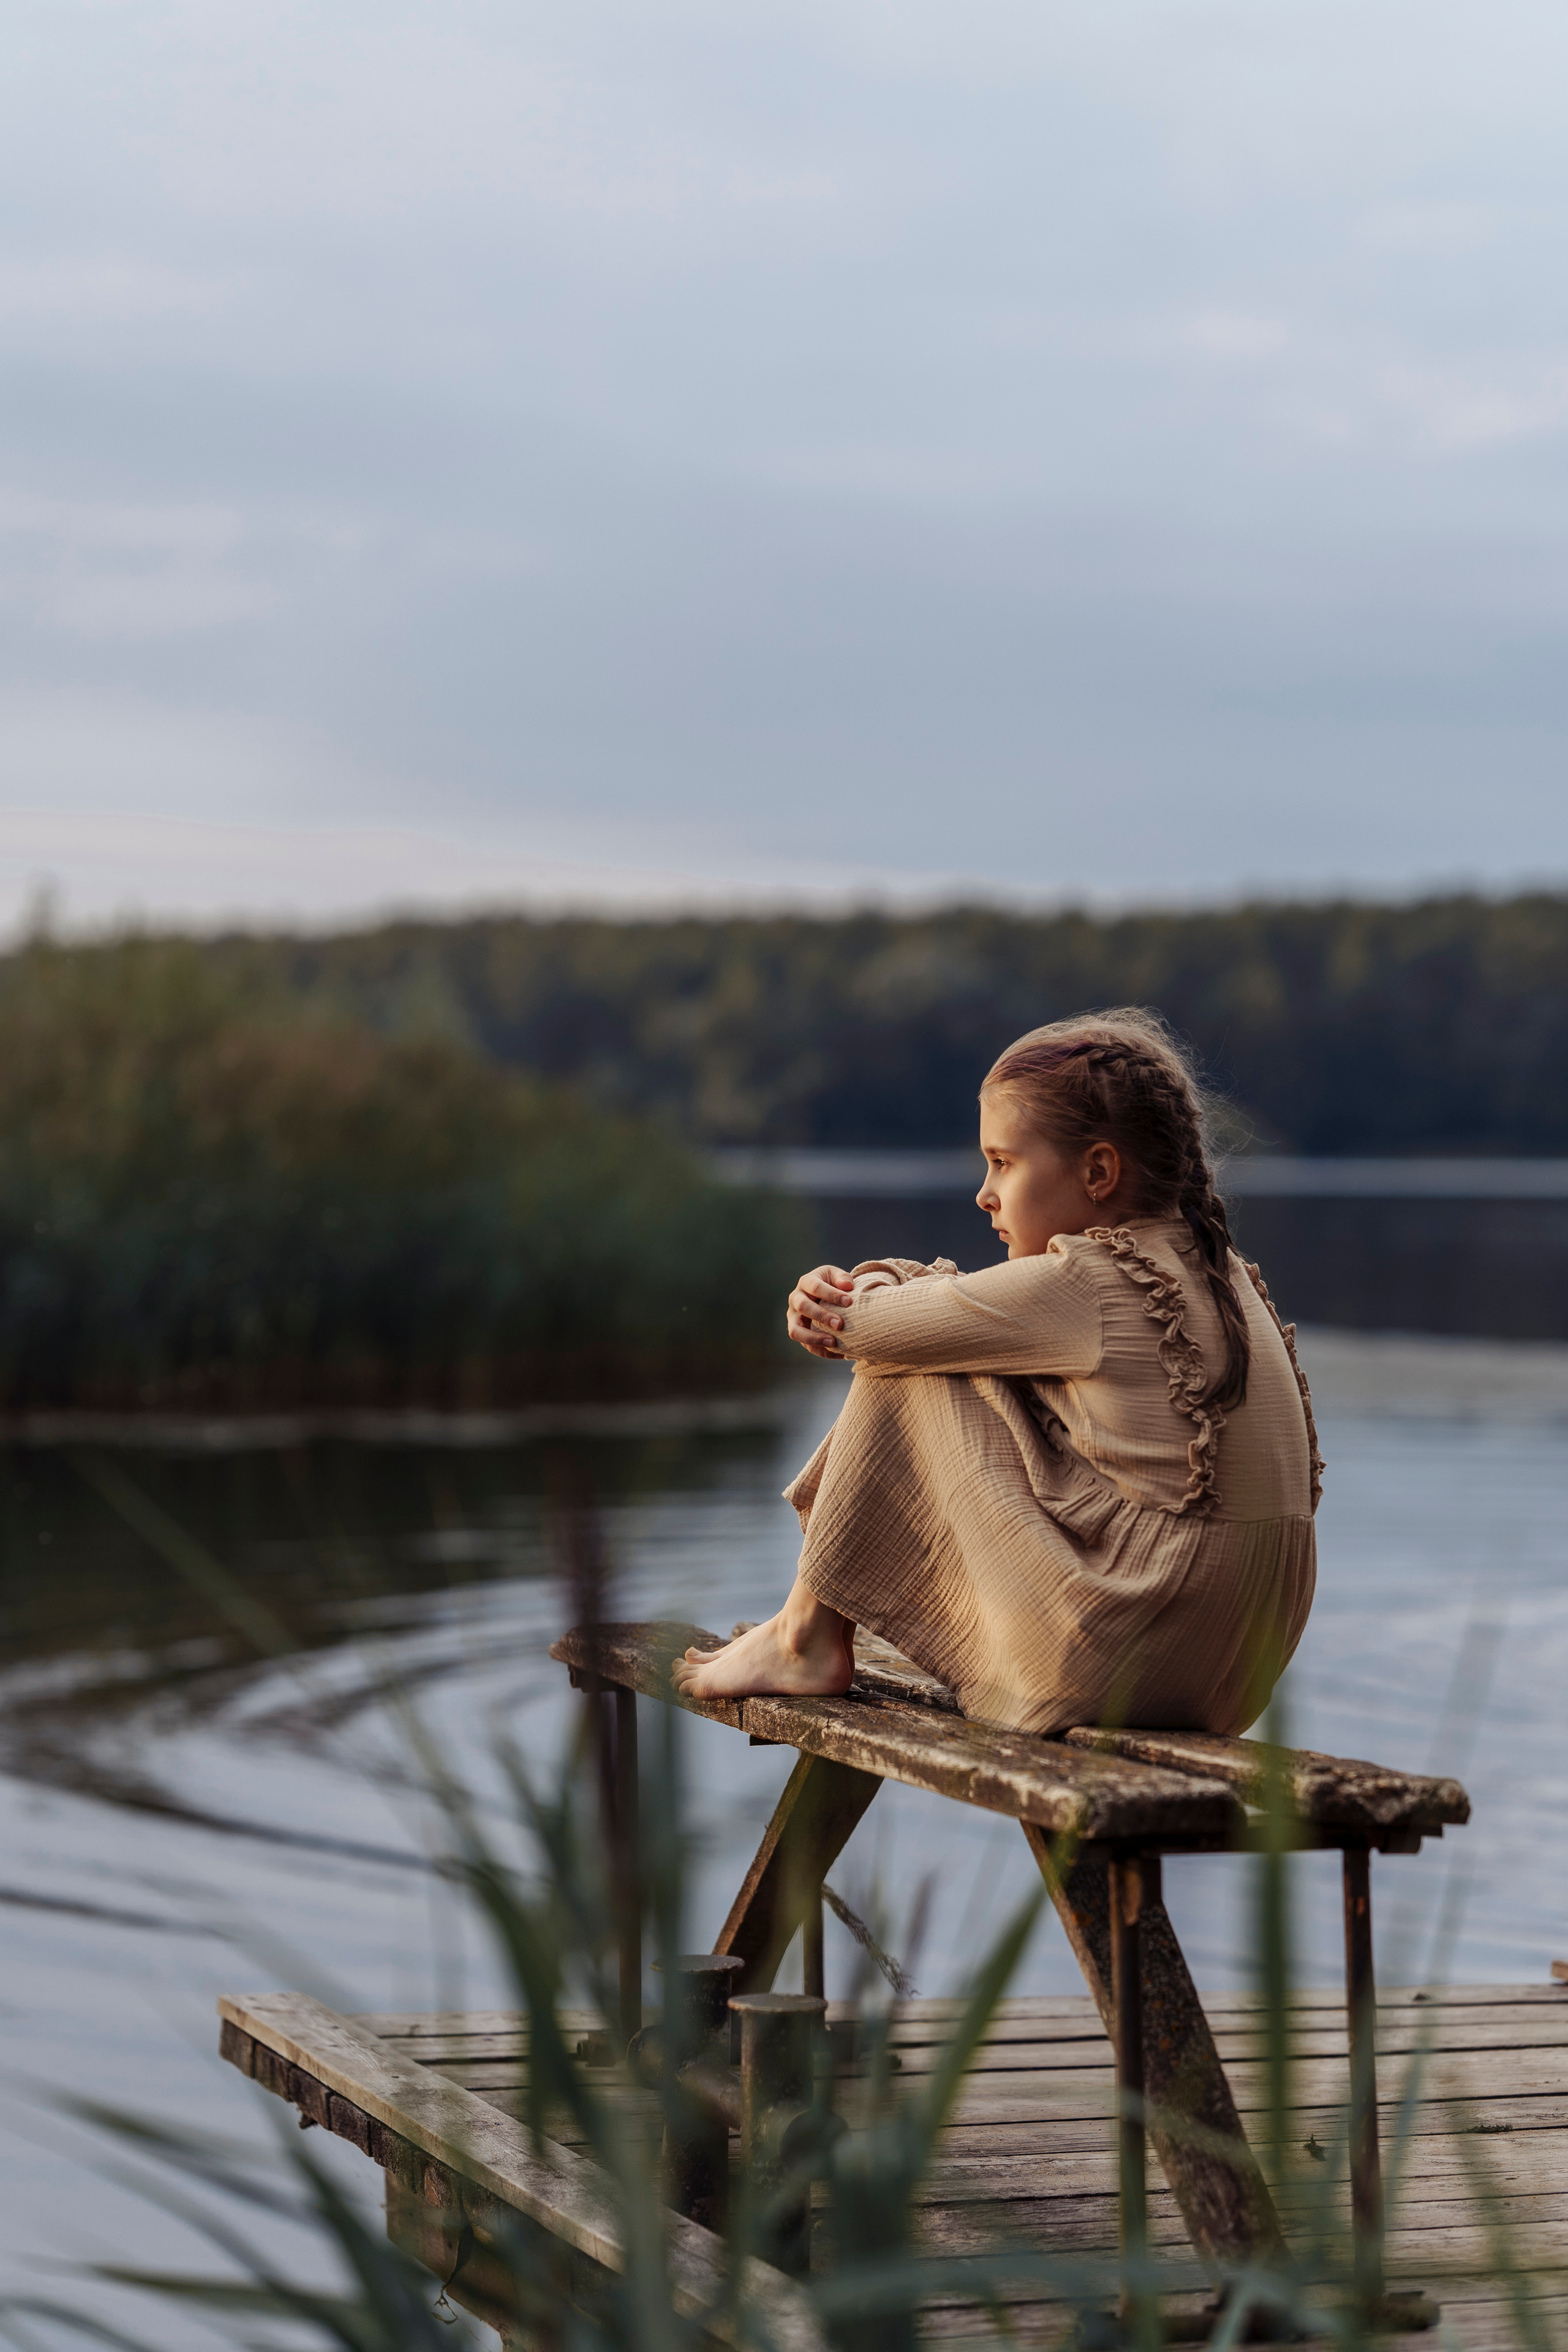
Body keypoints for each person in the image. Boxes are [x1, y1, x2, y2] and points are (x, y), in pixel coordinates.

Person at [672, 1006, 1320, 1737]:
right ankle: (806, 1630)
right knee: (955, 1349)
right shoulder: (1223, 1275)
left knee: (910, 1366)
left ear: (1099, 1171)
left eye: (1003, 1163)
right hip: (1231, 1681)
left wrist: (841, 1291)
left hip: (1116, 1661)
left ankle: (805, 1636)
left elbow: (863, 1330)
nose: (984, 1194)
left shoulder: (1092, 1283)